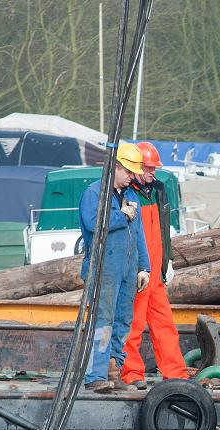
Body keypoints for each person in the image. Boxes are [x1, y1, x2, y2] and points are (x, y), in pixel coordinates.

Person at [79, 143, 151, 393]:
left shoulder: (131, 196)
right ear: (116, 167)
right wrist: (122, 216)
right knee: (103, 320)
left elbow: (139, 233)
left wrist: (145, 267)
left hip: (127, 269)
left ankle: (113, 369)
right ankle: (95, 375)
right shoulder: (94, 192)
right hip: (104, 268)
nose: (133, 176)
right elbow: (93, 223)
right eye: (129, 172)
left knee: (122, 321)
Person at [120, 142, 190, 389]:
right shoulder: (127, 193)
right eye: (149, 168)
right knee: (134, 324)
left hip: (156, 272)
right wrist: (137, 268)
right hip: (139, 272)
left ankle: (175, 373)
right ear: (137, 167)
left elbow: (164, 231)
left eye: (153, 168)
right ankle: (131, 374)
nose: (153, 172)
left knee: (165, 325)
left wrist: (168, 259)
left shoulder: (159, 189)